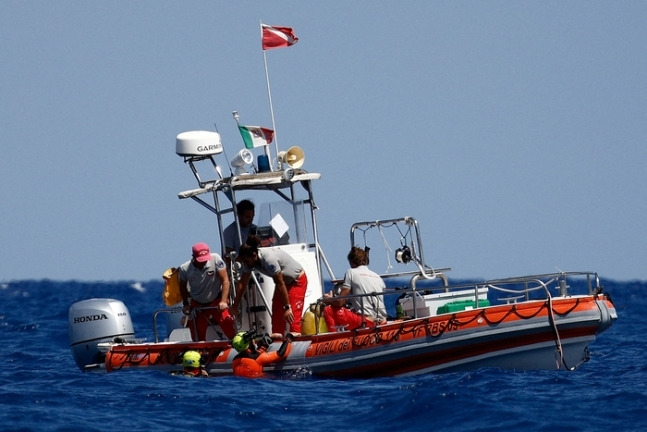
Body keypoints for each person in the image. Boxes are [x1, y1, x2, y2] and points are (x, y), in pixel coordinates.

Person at [231, 235, 308, 335]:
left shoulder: (268, 260)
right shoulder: (249, 263)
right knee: (277, 313)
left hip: (296, 281)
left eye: (246, 261)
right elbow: (243, 283)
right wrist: (235, 305)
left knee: (291, 315)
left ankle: (295, 335)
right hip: (283, 283)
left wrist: (287, 307)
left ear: (254, 255)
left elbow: (280, 283)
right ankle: (277, 338)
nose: (245, 264)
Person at [178, 242, 236, 341]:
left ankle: (236, 343)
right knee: (197, 333)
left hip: (216, 301)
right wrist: (186, 303)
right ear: (193, 257)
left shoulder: (216, 259)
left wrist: (223, 300)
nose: (203, 262)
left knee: (227, 322)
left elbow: (225, 280)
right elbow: (182, 287)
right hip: (197, 304)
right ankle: (200, 352)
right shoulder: (184, 269)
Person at [323, 247, 387, 331]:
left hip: (366, 321)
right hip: (382, 321)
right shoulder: (377, 276)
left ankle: (335, 339)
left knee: (328, 310)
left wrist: (329, 300)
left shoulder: (351, 272)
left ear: (352, 261)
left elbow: (340, 302)